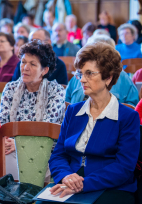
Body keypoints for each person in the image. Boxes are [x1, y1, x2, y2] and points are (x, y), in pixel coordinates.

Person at [49, 42, 139, 204]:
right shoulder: (73, 111)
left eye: (89, 73)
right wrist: (65, 176)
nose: (82, 79)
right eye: (80, 73)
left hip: (111, 187)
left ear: (108, 77)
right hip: (71, 180)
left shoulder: (127, 117)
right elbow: (58, 155)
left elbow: (124, 167)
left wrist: (84, 184)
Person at [0, 40, 65, 178]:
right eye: (23, 62)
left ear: (45, 70)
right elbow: (2, 123)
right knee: (0, 155)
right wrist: (8, 142)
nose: (25, 68)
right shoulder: (10, 88)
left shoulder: (56, 91)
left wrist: (18, 144)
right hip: (10, 148)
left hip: (45, 150)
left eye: (32, 64)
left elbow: (46, 128)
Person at [66, 35, 139, 106]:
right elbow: (66, 102)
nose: (82, 80)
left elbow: (132, 105)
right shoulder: (78, 75)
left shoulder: (122, 76)